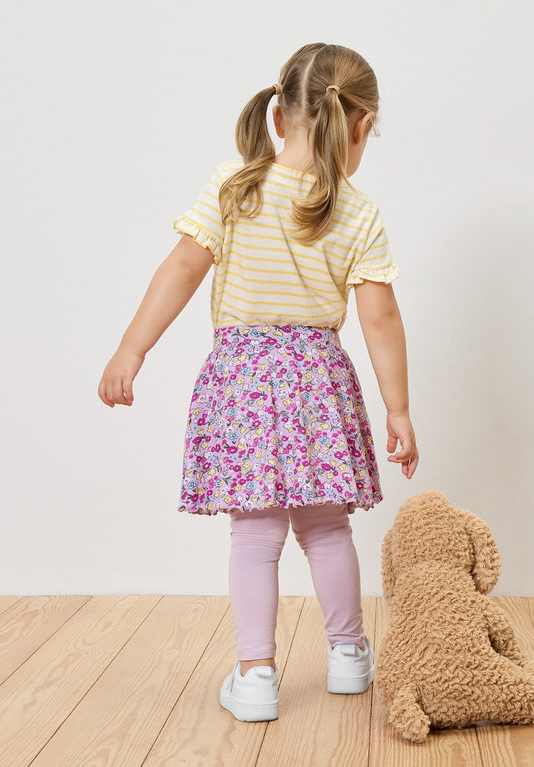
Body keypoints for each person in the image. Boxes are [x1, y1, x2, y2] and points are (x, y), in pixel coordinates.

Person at [98, 42, 418, 723]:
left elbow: (181, 270)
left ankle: (255, 675)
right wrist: (399, 409)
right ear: (360, 126)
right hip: (318, 382)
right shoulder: (359, 212)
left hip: (242, 380)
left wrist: (132, 348)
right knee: (327, 528)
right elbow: (381, 318)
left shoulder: (235, 187)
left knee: (254, 537)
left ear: (279, 116)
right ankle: (348, 655)